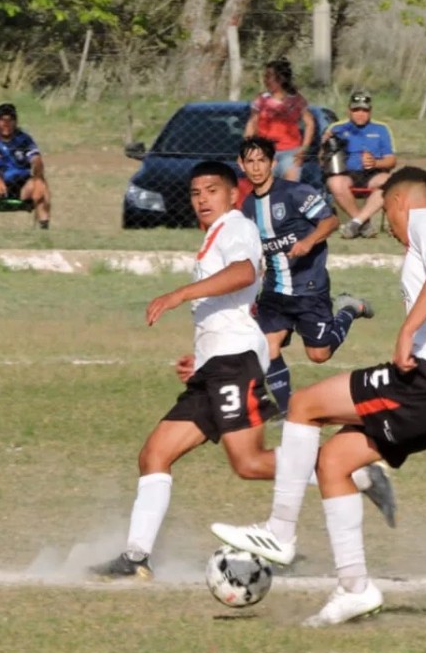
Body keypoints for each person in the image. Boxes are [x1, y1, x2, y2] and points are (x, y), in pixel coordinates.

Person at [212, 166, 426, 626]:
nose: (388, 226)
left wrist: (407, 331)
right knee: (334, 464)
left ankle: (279, 532)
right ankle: (354, 589)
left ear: (402, 203)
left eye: (387, 212)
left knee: (305, 405)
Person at [90, 161, 395, 580]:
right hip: (215, 365)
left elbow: (243, 273)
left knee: (249, 462)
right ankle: (136, 557)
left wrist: (179, 294)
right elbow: (225, 309)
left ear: (233, 194)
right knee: (154, 455)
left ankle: (352, 471)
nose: (202, 200)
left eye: (212, 191)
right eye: (196, 193)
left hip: (234, 363)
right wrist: (199, 358)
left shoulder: (236, 227)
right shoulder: (215, 235)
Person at [238, 137, 382, 439]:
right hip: (275, 291)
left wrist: (307, 242)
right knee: (267, 345)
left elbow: (329, 221)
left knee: (319, 355)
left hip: (309, 287)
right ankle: (288, 411)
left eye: (261, 160)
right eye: (249, 161)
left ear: (273, 162)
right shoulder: (248, 205)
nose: (256, 167)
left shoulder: (294, 193)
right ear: (242, 165)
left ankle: (347, 309)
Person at [322, 91, 396, 239]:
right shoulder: (337, 128)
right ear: (349, 110)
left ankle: (356, 223)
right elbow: (322, 157)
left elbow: (391, 161)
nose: (360, 114)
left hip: (373, 173)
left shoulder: (381, 129)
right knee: (334, 182)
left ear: (370, 111)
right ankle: (362, 222)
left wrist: (376, 162)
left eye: (364, 110)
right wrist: (324, 144)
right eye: (356, 110)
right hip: (346, 172)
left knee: (388, 182)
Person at [0, 103, 51, 229]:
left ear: (15, 122)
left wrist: (37, 178)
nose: (6, 123)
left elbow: (37, 160)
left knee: (41, 183)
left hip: (21, 185)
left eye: (10, 120)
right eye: (2, 120)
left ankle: (44, 227)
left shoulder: (24, 139)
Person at [243, 58, 315, 182]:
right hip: (265, 151)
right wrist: (246, 147)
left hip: (290, 152)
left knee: (289, 187)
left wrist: (304, 148)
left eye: (269, 76)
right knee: (266, 186)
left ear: (280, 78)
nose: (265, 80)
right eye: (265, 76)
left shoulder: (296, 100)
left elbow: (310, 123)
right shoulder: (261, 99)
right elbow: (252, 123)